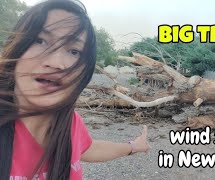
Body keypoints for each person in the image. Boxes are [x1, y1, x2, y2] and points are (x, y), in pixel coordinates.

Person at [0, 0, 150, 179]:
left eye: (74, 51)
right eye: (39, 40)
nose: (56, 63)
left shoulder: (69, 122)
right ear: (15, 48)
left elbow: (89, 148)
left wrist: (133, 146)